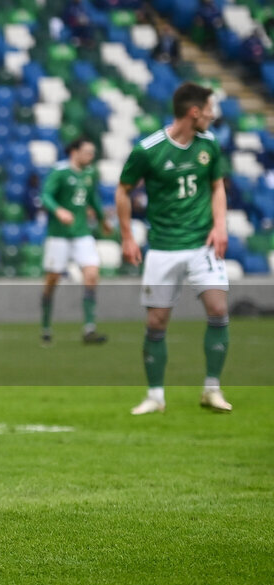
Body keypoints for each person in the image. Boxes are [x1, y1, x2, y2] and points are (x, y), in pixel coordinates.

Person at [116, 82, 232, 415]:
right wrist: (127, 236)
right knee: (156, 324)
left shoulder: (210, 145)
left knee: (219, 311)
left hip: (201, 244)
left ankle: (212, 388)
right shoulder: (148, 149)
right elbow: (123, 191)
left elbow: (217, 186)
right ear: (194, 112)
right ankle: (155, 395)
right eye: (209, 109)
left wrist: (220, 224)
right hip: (163, 248)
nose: (212, 115)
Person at [39, 137, 112, 346]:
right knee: (52, 281)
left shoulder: (90, 173)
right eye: (88, 151)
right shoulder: (60, 171)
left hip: (82, 234)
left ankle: (89, 328)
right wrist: (58, 210)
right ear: (75, 152)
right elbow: (45, 195)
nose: (91, 156)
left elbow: (92, 199)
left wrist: (102, 220)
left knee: (91, 274)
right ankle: (46, 327)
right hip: (59, 236)